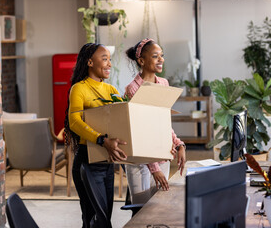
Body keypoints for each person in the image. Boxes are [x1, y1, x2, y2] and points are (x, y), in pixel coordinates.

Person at [64, 43, 127, 228]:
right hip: (87, 162)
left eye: (110, 59)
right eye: (104, 58)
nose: (109, 64)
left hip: (107, 163)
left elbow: (123, 123)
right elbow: (74, 122)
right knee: (94, 217)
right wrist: (102, 140)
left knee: (104, 217)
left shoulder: (112, 91)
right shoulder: (79, 88)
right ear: (90, 62)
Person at [124, 38, 186, 204]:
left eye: (162, 55)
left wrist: (179, 144)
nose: (161, 59)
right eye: (155, 56)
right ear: (142, 61)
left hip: (162, 155)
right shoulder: (133, 89)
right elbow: (139, 132)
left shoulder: (163, 83)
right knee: (141, 212)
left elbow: (163, 122)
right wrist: (154, 168)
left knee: (157, 209)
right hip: (141, 163)